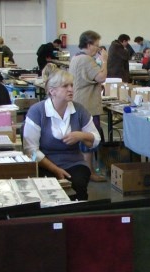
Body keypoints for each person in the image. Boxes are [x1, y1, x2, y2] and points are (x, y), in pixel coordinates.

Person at [23, 65, 101, 201]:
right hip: (44, 164)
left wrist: (80, 135)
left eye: (71, 85)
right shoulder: (37, 112)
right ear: (52, 91)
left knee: (78, 185)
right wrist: (55, 169)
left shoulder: (79, 110)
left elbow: (96, 139)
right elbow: (31, 150)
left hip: (74, 163)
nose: (71, 89)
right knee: (49, 192)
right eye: (65, 86)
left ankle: (78, 217)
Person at [69, 30, 108, 182]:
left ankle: (86, 170)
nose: (98, 49)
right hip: (87, 105)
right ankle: (89, 172)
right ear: (89, 44)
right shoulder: (86, 59)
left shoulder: (76, 57)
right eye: (96, 46)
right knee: (89, 139)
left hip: (79, 102)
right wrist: (104, 60)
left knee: (84, 139)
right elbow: (101, 76)